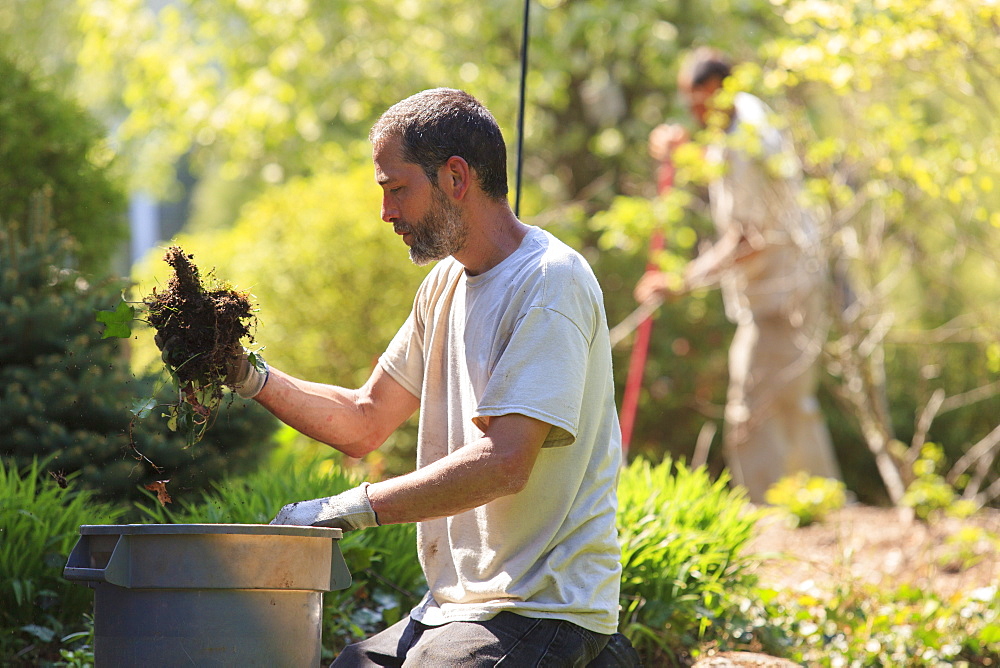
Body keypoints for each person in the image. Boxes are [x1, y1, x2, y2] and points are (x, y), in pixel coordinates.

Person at [174, 88, 639, 666]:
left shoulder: (549, 283)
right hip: (454, 608)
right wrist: (246, 374)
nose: (386, 212)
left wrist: (347, 507)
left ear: (456, 178)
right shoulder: (444, 285)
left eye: (397, 189)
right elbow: (365, 420)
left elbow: (506, 463)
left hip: (542, 606)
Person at [635, 48, 842, 504]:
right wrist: (684, 149)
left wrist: (681, 281)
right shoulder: (746, 111)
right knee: (791, 403)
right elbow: (723, 155)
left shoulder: (747, 137)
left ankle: (769, 513)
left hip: (779, 293)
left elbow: (749, 240)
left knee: (754, 409)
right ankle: (821, 503)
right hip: (791, 284)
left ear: (714, 91)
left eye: (695, 103)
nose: (693, 112)